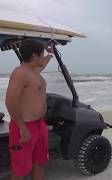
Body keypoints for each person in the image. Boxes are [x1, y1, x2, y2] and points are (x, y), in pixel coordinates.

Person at [5, 39, 53, 180]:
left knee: (39, 163)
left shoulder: (33, 71)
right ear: (34, 56)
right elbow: (10, 101)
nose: (42, 56)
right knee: (20, 170)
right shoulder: (20, 73)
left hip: (39, 124)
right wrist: (22, 127)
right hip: (24, 128)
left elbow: (42, 64)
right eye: (41, 53)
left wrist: (50, 54)